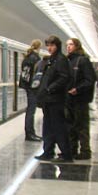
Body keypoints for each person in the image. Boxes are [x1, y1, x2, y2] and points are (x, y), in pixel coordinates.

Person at [34, 35, 73, 163]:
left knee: (58, 127)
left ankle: (66, 154)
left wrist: (51, 88)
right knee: (48, 127)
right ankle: (48, 151)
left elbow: (64, 77)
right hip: (48, 99)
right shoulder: (51, 60)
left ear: (57, 46)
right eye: (48, 46)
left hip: (56, 99)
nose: (49, 48)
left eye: (52, 45)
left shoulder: (61, 60)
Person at [66, 38, 96, 160]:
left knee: (81, 125)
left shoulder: (83, 61)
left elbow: (90, 79)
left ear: (77, 46)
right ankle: (72, 149)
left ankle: (85, 151)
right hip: (69, 99)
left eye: (71, 44)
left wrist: (77, 89)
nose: (68, 47)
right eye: (67, 45)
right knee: (71, 126)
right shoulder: (68, 61)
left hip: (80, 99)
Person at [18, 39, 42, 141]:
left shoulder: (27, 57)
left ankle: (30, 133)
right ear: (39, 47)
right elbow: (37, 75)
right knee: (31, 111)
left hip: (28, 86)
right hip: (32, 87)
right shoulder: (35, 58)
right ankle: (30, 134)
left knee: (30, 110)